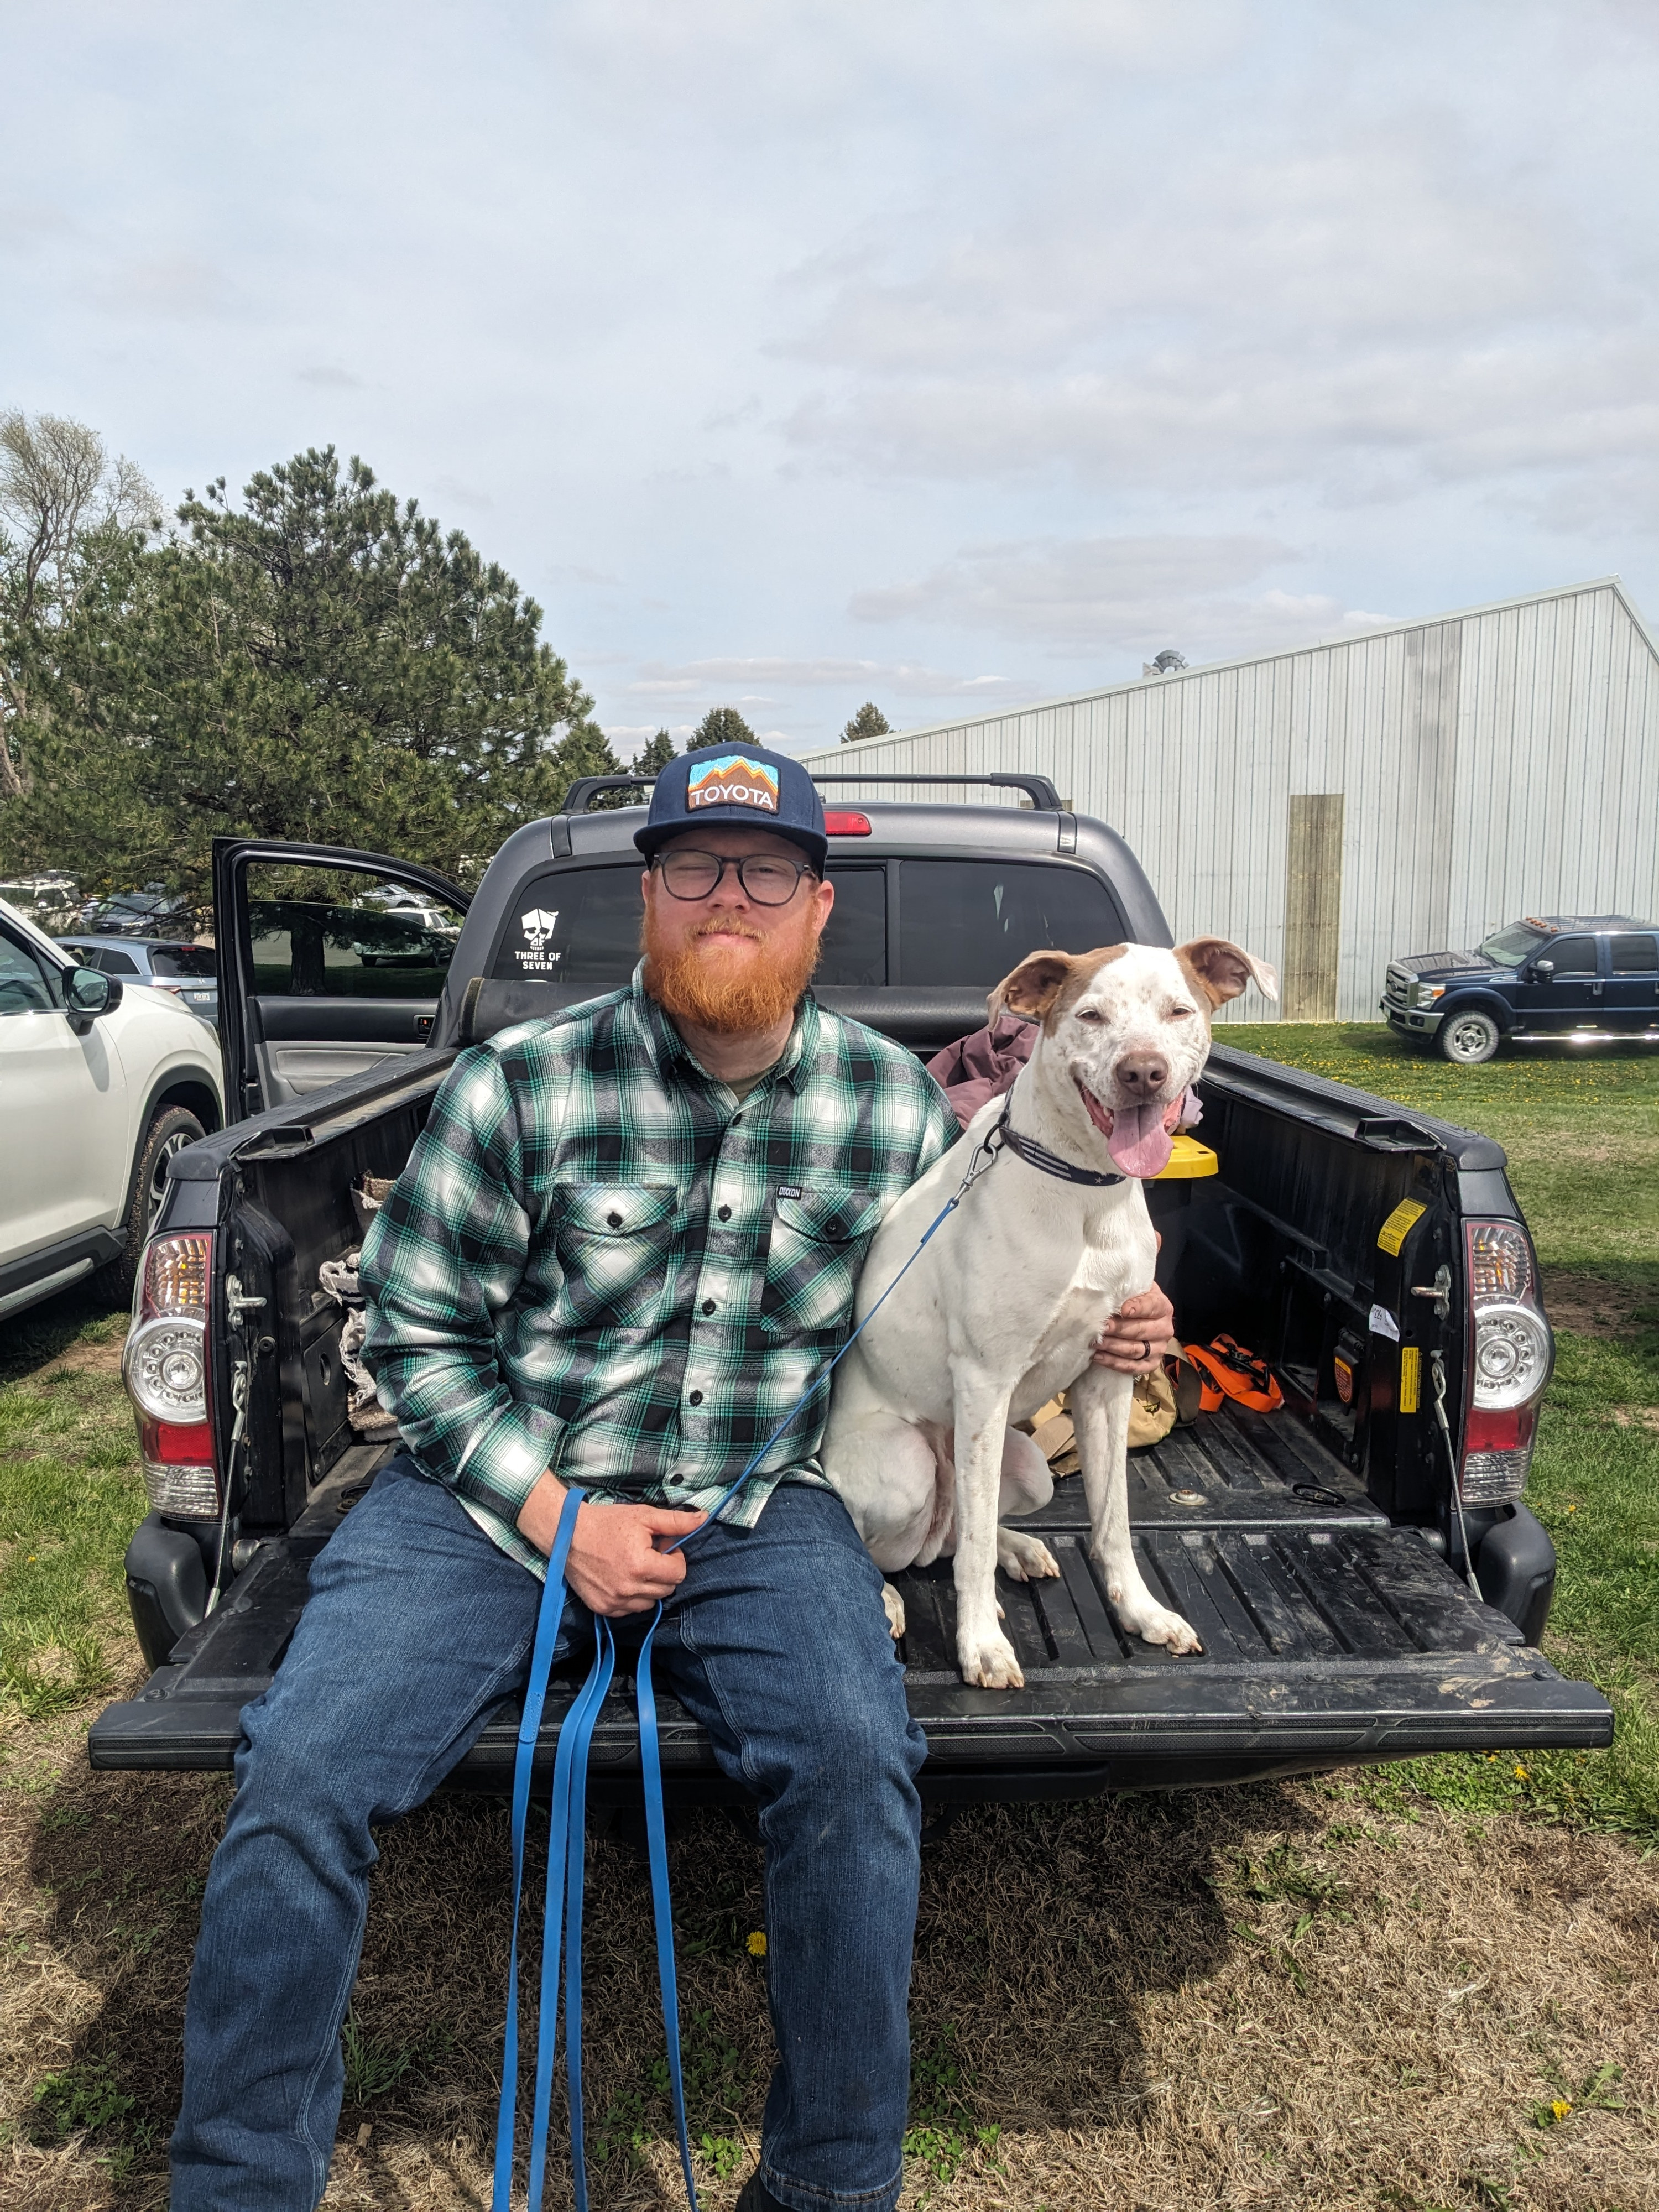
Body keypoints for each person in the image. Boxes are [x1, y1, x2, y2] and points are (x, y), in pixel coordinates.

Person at [168, 744, 1176, 2212]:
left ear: (817, 909)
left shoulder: (899, 1113)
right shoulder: (520, 1082)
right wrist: (556, 1516)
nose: (729, 900)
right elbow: (417, 1331)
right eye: (694, 867)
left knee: (857, 1770)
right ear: (646, 899)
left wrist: (1116, 1317)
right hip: (493, 1499)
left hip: (761, 1506)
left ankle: (828, 2191)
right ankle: (239, 2187)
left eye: (767, 872)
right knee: (303, 1771)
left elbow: (1000, 1294)